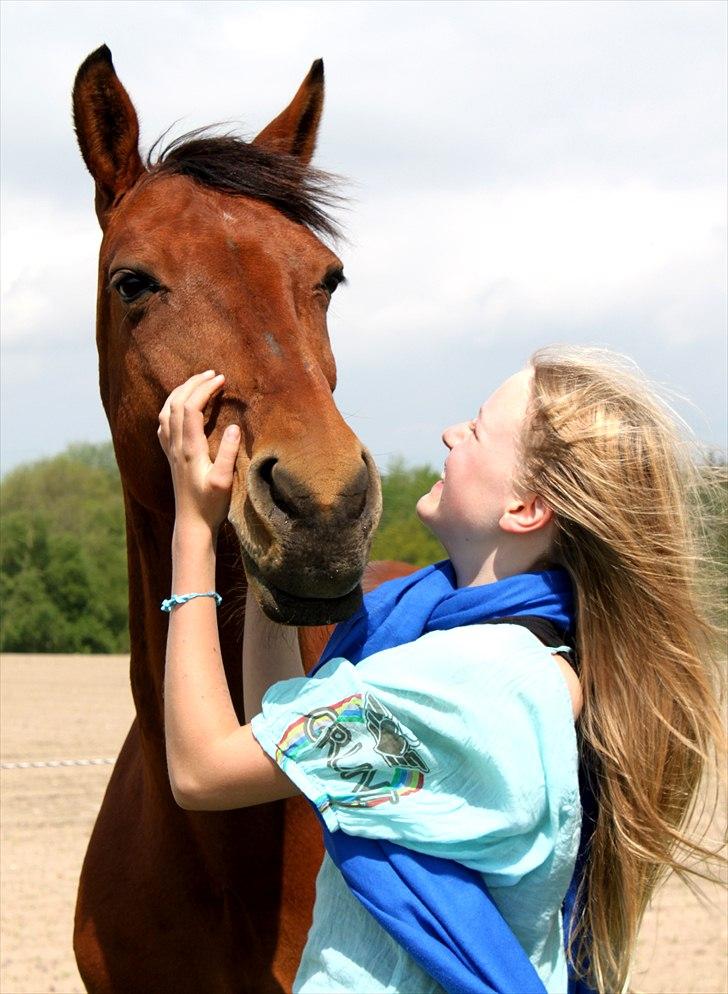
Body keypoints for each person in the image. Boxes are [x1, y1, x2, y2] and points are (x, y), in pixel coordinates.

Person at [157, 346, 724, 994]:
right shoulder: (521, 667)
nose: (450, 433)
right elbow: (281, 740)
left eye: (478, 429)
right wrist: (261, 547)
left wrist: (192, 533)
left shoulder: (471, 681)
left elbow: (204, 770)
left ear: (525, 510)